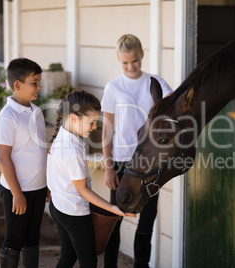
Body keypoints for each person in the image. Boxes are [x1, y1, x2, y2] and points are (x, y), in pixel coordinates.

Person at [101, 34, 173, 268]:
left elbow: (174, 110)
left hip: (150, 162)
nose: (131, 66)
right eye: (125, 62)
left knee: (147, 220)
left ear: (141, 55)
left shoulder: (156, 83)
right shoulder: (113, 88)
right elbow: (107, 131)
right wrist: (109, 166)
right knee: (116, 217)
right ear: (118, 60)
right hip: (123, 162)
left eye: (134, 60)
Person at [47, 90, 135, 268]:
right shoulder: (71, 150)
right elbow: (83, 190)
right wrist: (112, 208)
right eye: (92, 122)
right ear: (73, 118)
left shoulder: (64, 136)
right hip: (74, 213)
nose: (94, 127)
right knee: (89, 262)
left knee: (68, 256)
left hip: (58, 206)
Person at [0, 58, 47, 267]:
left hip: (38, 187)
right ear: (17, 85)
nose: (39, 87)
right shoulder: (7, 117)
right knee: (14, 241)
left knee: (32, 238)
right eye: (34, 82)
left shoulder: (37, 112)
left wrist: (47, 183)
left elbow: (40, 150)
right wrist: (17, 194)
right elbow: (3, 157)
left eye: (39, 82)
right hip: (17, 191)